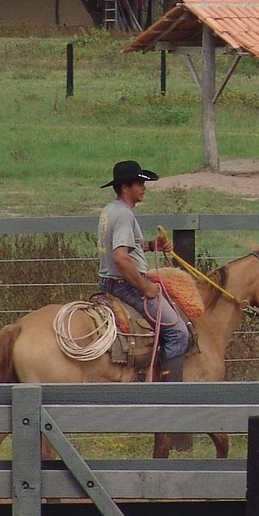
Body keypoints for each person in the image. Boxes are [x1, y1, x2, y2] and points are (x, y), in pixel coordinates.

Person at [96, 160, 192, 379]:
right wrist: (145, 286)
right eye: (139, 184)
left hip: (107, 281)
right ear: (125, 188)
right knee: (178, 332)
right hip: (125, 285)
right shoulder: (124, 215)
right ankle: (170, 391)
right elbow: (120, 258)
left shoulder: (110, 210)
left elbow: (121, 247)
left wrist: (150, 246)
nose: (144, 188)